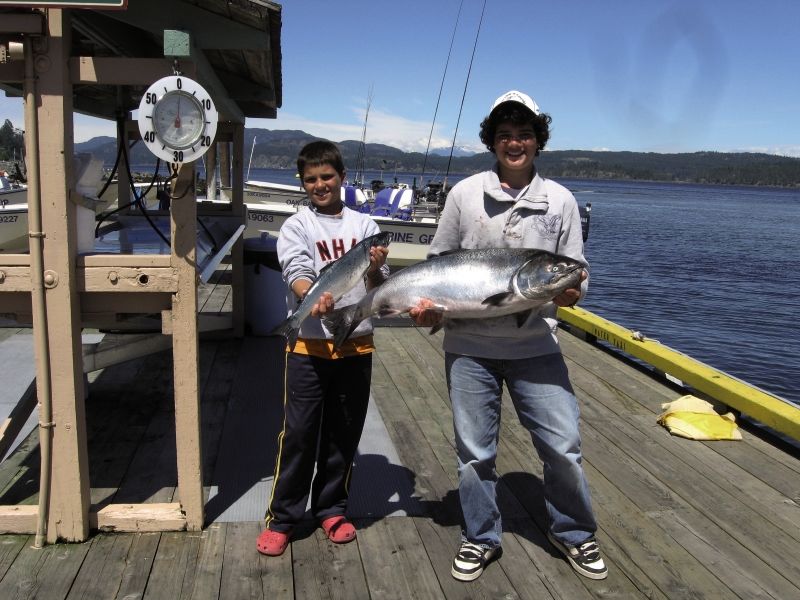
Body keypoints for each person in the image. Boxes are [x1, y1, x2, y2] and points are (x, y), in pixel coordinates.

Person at [410, 90, 607, 582]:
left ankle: (575, 533)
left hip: (536, 345)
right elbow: (439, 261)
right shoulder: (464, 194)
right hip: (469, 348)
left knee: (563, 445)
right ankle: (480, 536)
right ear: (492, 142)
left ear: (538, 140)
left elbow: (576, 272)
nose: (514, 143)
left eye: (523, 134)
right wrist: (428, 310)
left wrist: (571, 293)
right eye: (504, 135)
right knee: (474, 453)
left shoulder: (559, 200)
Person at [256, 140, 389, 556]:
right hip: (308, 348)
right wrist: (308, 298)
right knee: (298, 434)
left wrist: (376, 264)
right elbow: (295, 269)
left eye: (327, 177)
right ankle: (284, 518)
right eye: (311, 179)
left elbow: (376, 285)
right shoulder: (298, 226)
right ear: (303, 183)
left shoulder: (365, 228)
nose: (320, 185)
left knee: (343, 433)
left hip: (356, 344)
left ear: (342, 178)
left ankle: (331, 508)